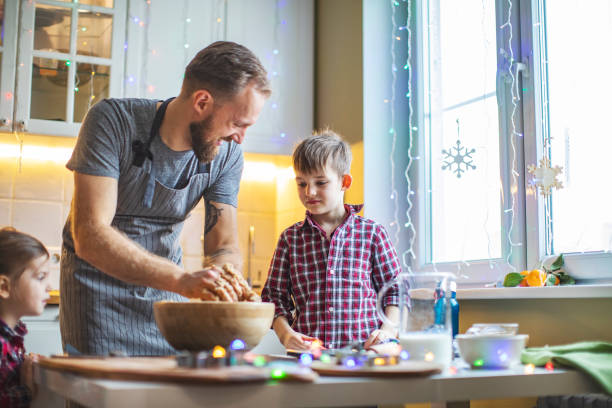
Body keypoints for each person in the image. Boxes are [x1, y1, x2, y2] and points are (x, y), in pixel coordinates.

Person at [61, 41, 271, 356]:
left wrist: (227, 282)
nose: (240, 138)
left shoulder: (227, 155)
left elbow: (223, 247)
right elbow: (90, 234)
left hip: (168, 303)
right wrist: (183, 280)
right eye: (238, 123)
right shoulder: (113, 121)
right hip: (97, 300)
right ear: (202, 101)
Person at [261, 130, 401, 351]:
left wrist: (387, 332)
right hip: (309, 358)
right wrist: (286, 336)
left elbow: (396, 290)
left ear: (344, 182)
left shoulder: (373, 234)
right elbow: (274, 298)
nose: (310, 192)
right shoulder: (290, 239)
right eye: (301, 183)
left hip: (365, 355)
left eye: (321, 182)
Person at [0, 227, 52, 407]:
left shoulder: (12, 335)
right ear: (4, 287)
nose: (49, 287)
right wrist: (26, 392)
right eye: (40, 277)